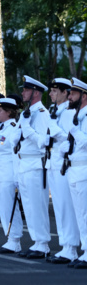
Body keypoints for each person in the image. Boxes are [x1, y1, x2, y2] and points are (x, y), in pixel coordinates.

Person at [42, 78, 81, 263]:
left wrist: (53, 128)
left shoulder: (69, 112)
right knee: (58, 207)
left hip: (64, 164)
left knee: (66, 207)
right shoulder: (54, 111)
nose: (51, 94)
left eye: (55, 91)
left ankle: (71, 247)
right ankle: (65, 245)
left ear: (66, 93)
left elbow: (69, 138)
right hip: (53, 163)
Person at [13, 76, 51, 259]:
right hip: (24, 162)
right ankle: (37, 242)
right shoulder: (26, 113)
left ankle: (43, 244)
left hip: (36, 163)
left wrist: (27, 130)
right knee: (28, 206)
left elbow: (43, 141)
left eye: (26, 90)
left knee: (37, 205)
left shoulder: (42, 113)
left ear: (35, 92)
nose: (22, 93)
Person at [0, 97, 24, 254]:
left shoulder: (14, 128)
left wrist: (16, 178)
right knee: (3, 208)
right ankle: (10, 239)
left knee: (10, 208)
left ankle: (15, 240)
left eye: (0, 111)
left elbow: (15, 155)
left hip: (8, 175)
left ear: (9, 112)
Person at [59, 78, 87, 268]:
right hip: (74, 169)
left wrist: (73, 129)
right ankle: (84, 250)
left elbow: (85, 142)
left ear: (84, 96)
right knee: (79, 214)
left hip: (84, 168)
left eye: (73, 94)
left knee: (85, 213)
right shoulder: (77, 115)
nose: (69, 97)